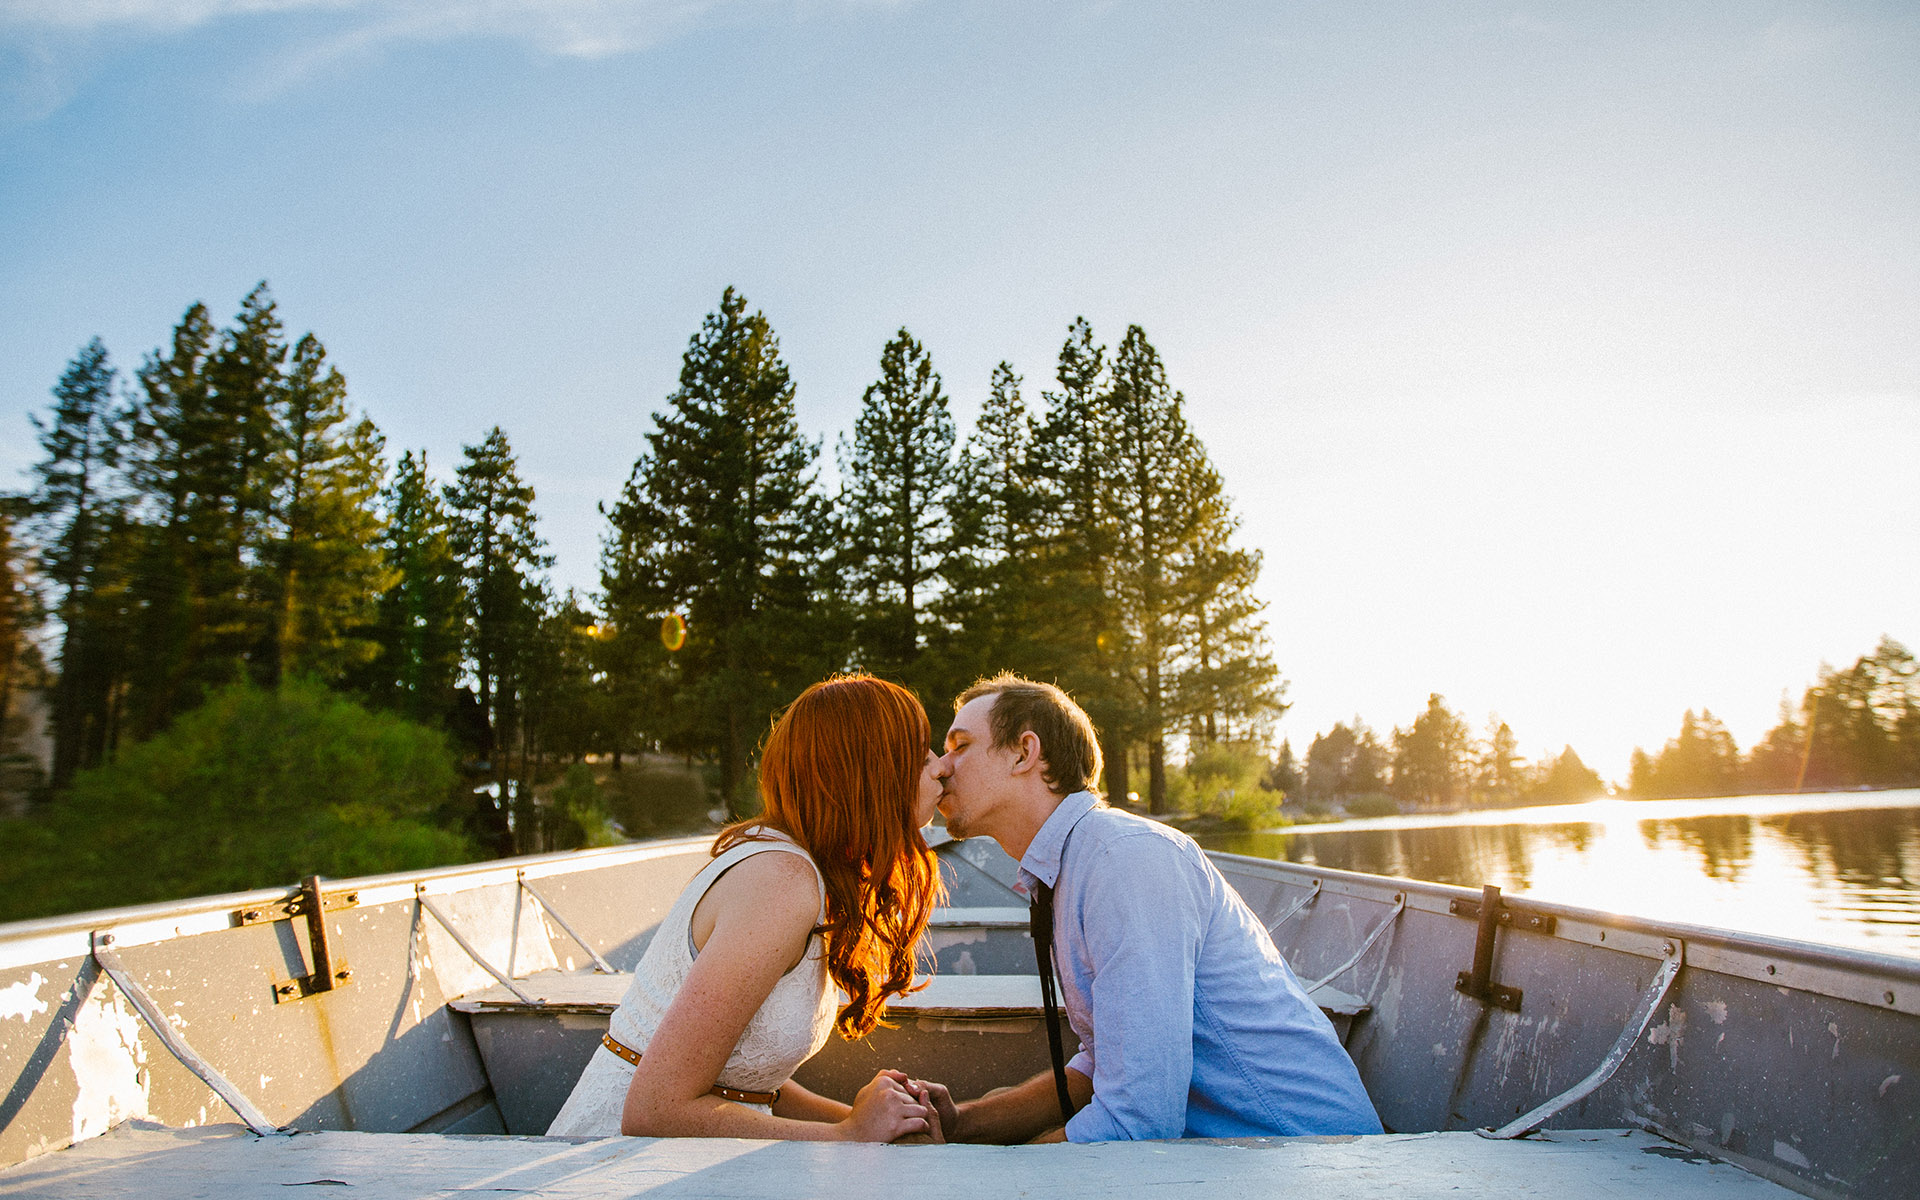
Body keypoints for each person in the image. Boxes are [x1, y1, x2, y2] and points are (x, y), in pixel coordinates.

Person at [919, 673, 1382, 1143]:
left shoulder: (1123, 859)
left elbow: (1136, 1124)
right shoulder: (1074, 865)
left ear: (1024, 752)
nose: (941, 768)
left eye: (960, 746)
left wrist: (976, 1174)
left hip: (1310, 1161)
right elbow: (1104, 1065)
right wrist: (963, 1124)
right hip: (1246, 1155)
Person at [547, 674, 946, 1141]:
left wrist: (876, 1120)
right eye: (921, 757)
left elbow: (745, 1083)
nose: (941, 768)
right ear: (867, 773)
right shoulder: (780, 883)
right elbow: (655, 1112)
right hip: (607, 1169)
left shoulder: (807, 871)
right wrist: (850, 1135)